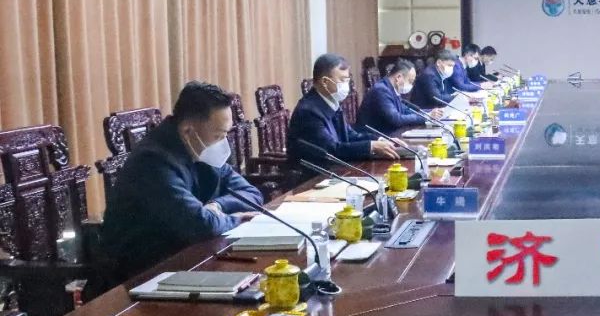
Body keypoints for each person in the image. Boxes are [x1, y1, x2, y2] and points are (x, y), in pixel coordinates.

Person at [100, 82, 263, 281]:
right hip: (142, 275)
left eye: (226, 135)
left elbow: (252, 195)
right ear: (188, 131)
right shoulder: (153, 161)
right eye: (218, 135)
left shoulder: (201, 148)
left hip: (192, 258)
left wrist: (217, 205)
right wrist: (236, 219)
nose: (223, 143)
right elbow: (201, 224)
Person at [286, 53, 399, 167]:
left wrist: (381, 140)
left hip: (336, 168)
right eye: (343, 80)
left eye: (347, 80)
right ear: (325, 82)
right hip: (315, 174)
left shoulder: (331, 102)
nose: (346, 85)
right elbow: (331, 150)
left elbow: (349, 135)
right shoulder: (308, 112)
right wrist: (371, 146)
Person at [358, 59, 443, 136]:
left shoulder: (390, 88)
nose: (411, 85)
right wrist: (426, 117)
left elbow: (405, 110)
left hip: (389, 135)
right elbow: (396, 119)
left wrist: (428, 113)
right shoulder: (381, 90)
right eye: (410, 81)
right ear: (398, 77)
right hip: (373, 139)